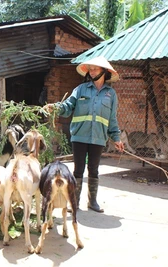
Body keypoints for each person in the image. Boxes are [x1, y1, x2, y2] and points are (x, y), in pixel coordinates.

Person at [43, 56, 124, 213]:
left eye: (95, 69)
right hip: (80, 136)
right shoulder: (80, 89)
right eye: (90, 69)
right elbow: (68, 106)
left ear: (104, 71)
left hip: (99, 137)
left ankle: (92, 202)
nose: (92, 72)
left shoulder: (111, 94)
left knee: (94, 170)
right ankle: (75, 201)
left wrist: (116, 138)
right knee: (78, 170)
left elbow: (112, 119)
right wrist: (56, 107)